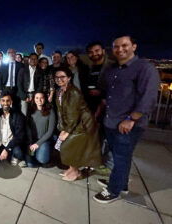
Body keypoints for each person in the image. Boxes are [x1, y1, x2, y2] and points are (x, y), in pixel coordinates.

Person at [93, 35, 159, 203]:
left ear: (134, 46)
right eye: (116, 46)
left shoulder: (145, 68)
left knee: (121, 158)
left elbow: (149, 98)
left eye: (125, 45)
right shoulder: (112, 69)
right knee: (120, 156)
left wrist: (131, 119)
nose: (120, 49)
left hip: (128, 125)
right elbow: (107, 92)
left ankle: (113, 191)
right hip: (110, 121)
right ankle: (121, 184)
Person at [54, 68, 102, 181]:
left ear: (69, 78)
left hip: (83, 125)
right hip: (73, 123)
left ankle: (76, 172)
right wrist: (62, 128)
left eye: (62, 77)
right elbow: (61, 111)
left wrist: (66, 132)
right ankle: (71, 169)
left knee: (68, 145)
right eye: (57, 77)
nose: (59, 79)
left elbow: (73, 116)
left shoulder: (73, 92)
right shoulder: (60, 91)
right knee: (66, 145)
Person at [0, 91, 26, 171]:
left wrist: (7, 149)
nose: (5, 103)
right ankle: (4, 154)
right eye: (3, 100)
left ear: (11, 102)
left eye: (8, 100)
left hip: (11, 144)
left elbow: (19, 136)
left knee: (18, 153)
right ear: (0, 101)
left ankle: (12, 155)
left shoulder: (17, 115)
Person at [25, 92, 56, 167]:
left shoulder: (50, 111)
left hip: (44, 140)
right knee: (30, 164)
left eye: (41, 98)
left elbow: (50, 132)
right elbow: (27, 127)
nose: (39, 100)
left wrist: (37, 144)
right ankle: (36, 155)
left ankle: (46, 153)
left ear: (45, 99)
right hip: (32, 140)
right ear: (34, 99)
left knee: (42, 159)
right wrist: (30, 141)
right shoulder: (30, 110)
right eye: (37, 98)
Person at [83, 41, 114, 114]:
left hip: (107, 108)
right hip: (91, 106)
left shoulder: (112, 66)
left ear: (103, 51)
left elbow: (119, 88)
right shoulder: (89, 67)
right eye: (90, 52)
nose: (94, 54)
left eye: (97, 51)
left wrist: (101, 93)